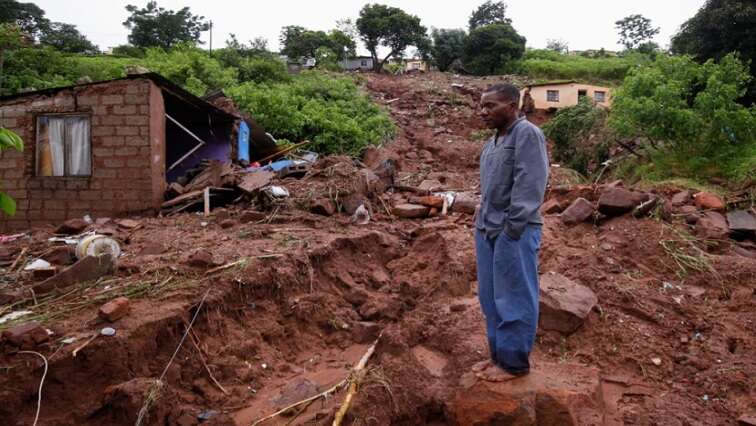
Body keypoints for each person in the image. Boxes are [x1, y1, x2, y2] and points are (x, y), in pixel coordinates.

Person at [473, 83, 549, 382]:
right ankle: (497, 357)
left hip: (514, 230)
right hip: (487, 228)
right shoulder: (491, 143)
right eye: (481, 106)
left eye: (490, 106)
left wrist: (512, 228)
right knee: (491, 297)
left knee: (514, 296)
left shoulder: (526, 134)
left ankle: (514, 364)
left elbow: (531, 183)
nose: (483, 112)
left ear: (512, 105)